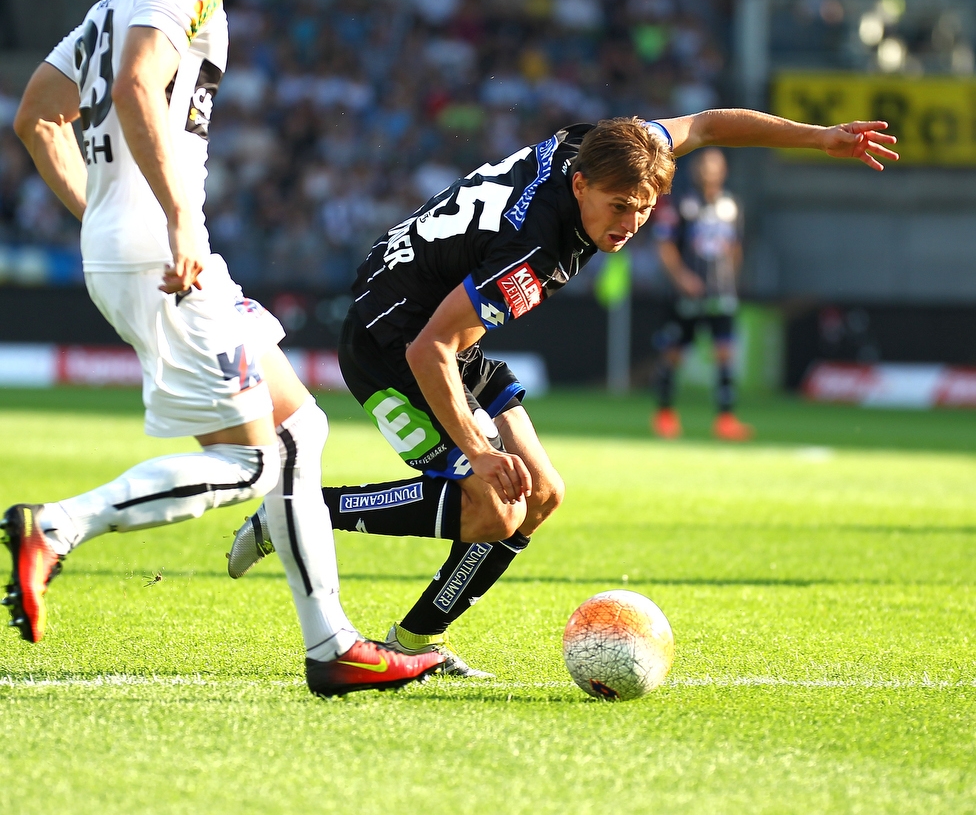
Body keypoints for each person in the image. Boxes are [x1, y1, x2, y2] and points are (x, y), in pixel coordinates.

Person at [227, 111, 898, 674]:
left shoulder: (621, 149)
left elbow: (708, 124)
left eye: (645, 208)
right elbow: (426, 347)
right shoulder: (533, 252)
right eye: (617, 207)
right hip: (391, 342)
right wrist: (475, 452)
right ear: (579, 185)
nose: (630, 223)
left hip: (446, 326)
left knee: (543, 493)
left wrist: (821, 139)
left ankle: (417, 642)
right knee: (491, 509)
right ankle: (294, 513)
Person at [4, 0, 442, 697]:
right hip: (167, 251)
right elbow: (136, 85)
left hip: (131, 245)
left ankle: (333, 644)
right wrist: (171, 222)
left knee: (300, 430)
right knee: (255, 463)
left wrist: (105, 217)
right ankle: (54, 528)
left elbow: (36, 118)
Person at [650, 147, 751, 440]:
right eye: (704, 165)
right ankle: (665, 413)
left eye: (715, 165)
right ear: (695, 171)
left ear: (724, 171)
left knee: (725, 354)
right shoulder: (680, 204)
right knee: (673, 354)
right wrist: (682, 278)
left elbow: (735, 247)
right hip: (687, 294)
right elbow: (665, 245)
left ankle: (726, 419)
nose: (709, 170)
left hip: (721, 292)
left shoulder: (732, 205)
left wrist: (731, 278)